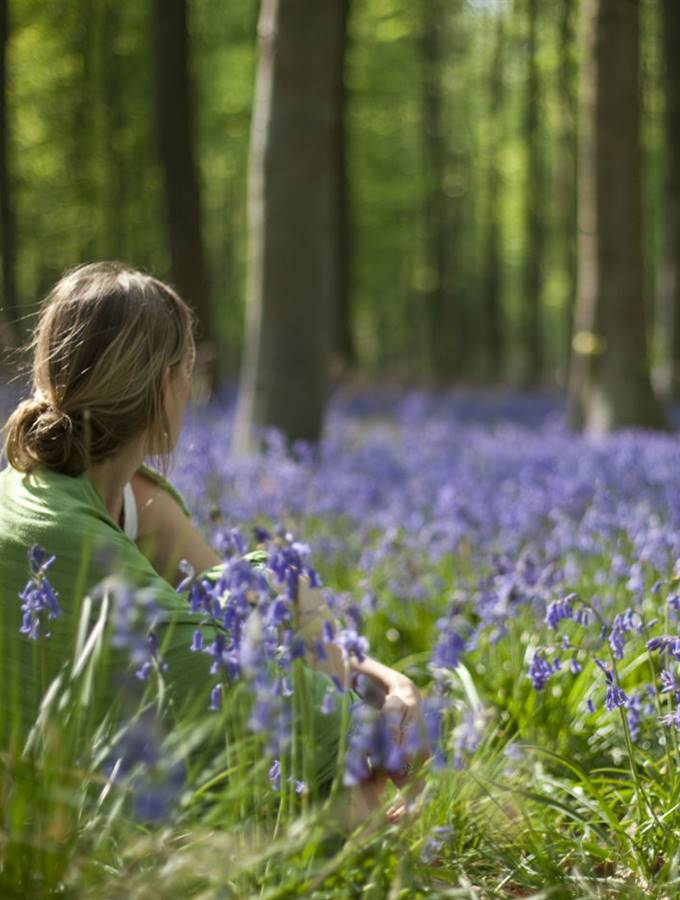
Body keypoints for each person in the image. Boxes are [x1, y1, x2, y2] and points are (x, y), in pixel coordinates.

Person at [0, 261, 423, 821]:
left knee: (280, 574)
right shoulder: (74, 539)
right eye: (188, 372)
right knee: (345, 786)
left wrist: (387, 682)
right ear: (162, 387)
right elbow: (223, 673)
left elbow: (247, 606)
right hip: (55, 824)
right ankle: (362, 835)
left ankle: (352, 822)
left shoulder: (115, 492)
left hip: (87, 769)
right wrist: (374, 735)